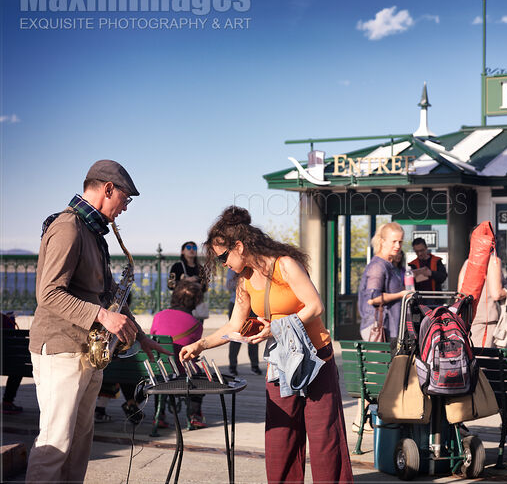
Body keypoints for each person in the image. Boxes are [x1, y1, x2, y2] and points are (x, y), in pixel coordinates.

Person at [179, 206, 353, 483]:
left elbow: (315, 306)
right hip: (281, 360)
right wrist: (201, 345)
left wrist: (278, 327)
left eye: (224, 256)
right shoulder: (243, 280)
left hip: (314, 355)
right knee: (280, 437)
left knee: (324, 438)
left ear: (239, 246)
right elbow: (234, 325)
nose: (223, 263)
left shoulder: (285, 264)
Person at [26, 160, 170, 484]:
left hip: (87, 352)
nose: (125, 208)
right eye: (126, 199)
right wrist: (103, 316)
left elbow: (108, 295)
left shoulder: (93, 233)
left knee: (78, 444)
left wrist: (141, 336)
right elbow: (48, 293)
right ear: (108, 189)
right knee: (55, 443)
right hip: (61, 349)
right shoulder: (68, 227)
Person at [151, 280, 207, 428]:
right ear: (196, 301)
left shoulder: (158, 316)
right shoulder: (196, 325)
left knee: (162, 369)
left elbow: (153, 341)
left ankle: (160, 415)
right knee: (200, 374)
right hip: (183, 375)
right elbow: (193, 353)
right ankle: (194, 415)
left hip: (159, 374)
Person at [357, 222, 410, 341]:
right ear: (382, 241)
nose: (398, 245)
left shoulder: (389, 265)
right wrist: (401, 294)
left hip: (390, 328)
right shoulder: (378, 266)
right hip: (379, 328)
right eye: (394, 241)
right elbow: (373, 299)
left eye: (400, 242)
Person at [457, 253, 507, 347]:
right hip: (487, 323)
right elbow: (496, 294)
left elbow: (460, 294)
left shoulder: (467, 262)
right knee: (486, 359)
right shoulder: (493, 261)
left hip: (468, 321)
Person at [226, 267, 261, 376]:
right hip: (236, 304)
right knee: (235, 336)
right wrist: (240, 278)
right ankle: (232, 366)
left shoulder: (254, 267)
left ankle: (255, 365)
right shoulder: (233, 267)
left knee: (254, 335)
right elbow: (228, 286)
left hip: (253, 305)